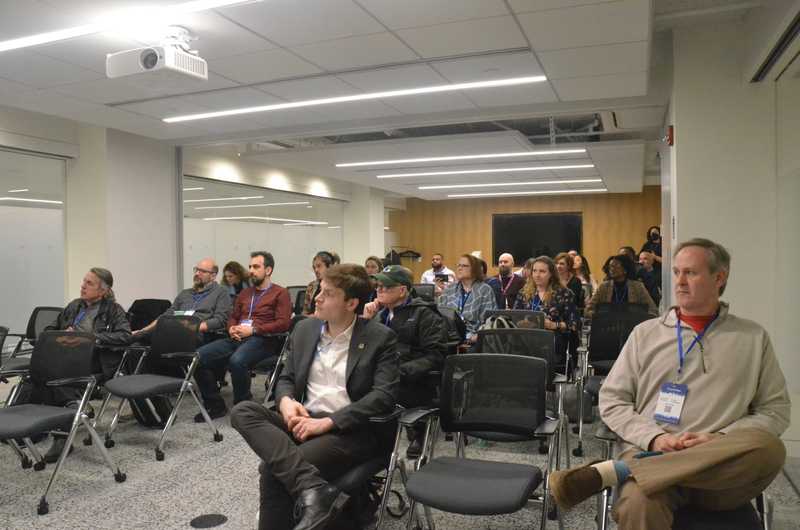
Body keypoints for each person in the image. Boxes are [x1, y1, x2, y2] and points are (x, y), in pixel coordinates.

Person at [548, 238, 790, 530]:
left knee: (771, 448)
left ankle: (623, 471)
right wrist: (654, 438)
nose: (680, 282)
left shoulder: (752, 337)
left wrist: (720, 438)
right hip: (653, 449)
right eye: (676, 272)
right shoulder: (645, 334)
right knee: (639, 503)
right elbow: (613, 400)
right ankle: (646, 466)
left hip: (722, 473)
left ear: (719, 277)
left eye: (691, 273)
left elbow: (775, 409)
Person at [229, 264, 399, 530]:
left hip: (348, 429)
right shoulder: (306, 329)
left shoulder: (379, 338)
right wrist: (286, 402)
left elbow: (383, 396)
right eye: (320, 290)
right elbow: (285, 377)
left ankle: (310, 494)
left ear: (351, 302)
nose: (317, 298)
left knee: (272, 471)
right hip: (304, 419)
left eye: (328, 294)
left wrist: (328, 423)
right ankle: (313, 488)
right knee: (243, 411)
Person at [43, 267, 132, 462]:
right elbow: (49, 328)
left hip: (96, 362)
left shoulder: (113, 310)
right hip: (66, 357)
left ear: (103, 290)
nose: (83, 286)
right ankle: (69, 408)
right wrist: (60, 334)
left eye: (89, 283)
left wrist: (91, 338)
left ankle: (61, 437)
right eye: (84, 281)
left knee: (57, 377)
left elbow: (125, 336)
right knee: (40, 375)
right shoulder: (74, 306)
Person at [362, 265, 447, 457]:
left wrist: (400, 371)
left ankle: (415, 431)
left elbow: (436, 356)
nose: (380, 290)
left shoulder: (424, 314)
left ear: (402, 290)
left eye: (386, 286)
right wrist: (366, 322)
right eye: (378, 286)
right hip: (381, 377)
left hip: (411, 380)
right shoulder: (379, 315)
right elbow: (364, 351)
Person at [195, 252, 292, 418]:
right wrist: (232, 328)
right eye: (250, 267)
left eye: (256, 267)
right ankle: (215, 405)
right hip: (238, 338)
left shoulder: (280, 293)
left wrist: (254, 330)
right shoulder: (245, 293)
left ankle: (243, 407)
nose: (251, 271)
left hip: (264, 340)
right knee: (198, 357)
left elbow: (283, 323)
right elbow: (233, 316)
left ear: (268, 270)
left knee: (237, 361)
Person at [132, 258, 231, 342]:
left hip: (201, 334)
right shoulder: (185, 293)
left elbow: (220, 320)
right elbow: (166, 315)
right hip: (176, 330)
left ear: (213, 276)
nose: (197, 273)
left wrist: (192, 327)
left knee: (164, 339)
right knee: (139, 340)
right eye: (196, 270)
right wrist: (143, 330)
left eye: (202, 271)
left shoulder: (221, 292)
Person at [513, 256, 579, 362]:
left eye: (542, 271)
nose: (537, 275)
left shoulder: (564, 293)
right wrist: (521, 322)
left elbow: (574, 324)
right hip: (526, 336)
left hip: (552, 338)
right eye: (534, 271)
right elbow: (514, 317)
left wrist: (554, 325)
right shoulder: (523, 292)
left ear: (551, 274)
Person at [438, 254, 497, 343]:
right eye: (459, 265)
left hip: (473, 339)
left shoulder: (485, 290)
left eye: (464, 266)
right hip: (449, 338)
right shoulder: (449, 289)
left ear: (474, 269)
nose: (459, 268)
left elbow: (489, 320)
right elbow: (439, 315)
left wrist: (476, 337)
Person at [586, 254, 658, 318]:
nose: (611, 269)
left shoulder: (637, 286)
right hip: (608, 327)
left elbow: (653, 310)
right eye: (610, 266)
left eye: (615, 266)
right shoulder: (604, 286)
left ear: (625, 270)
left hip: (631, 326)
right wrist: (600, 316)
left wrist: (639, 318)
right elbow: (588, 310)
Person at [303, 251, 339, 316]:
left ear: (329, 267)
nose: (316, 270)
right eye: (314, 267)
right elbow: (305, 311)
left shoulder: (338, 285)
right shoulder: (311, 286)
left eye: (319, 266)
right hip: (312, 321)